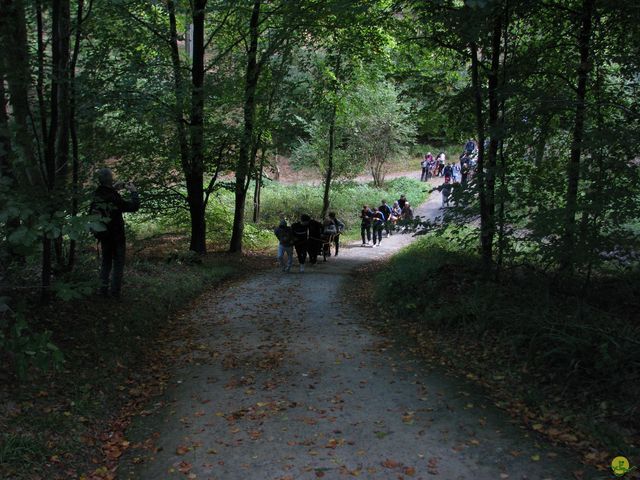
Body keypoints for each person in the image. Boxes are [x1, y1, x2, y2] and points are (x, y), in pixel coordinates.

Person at [90, 168, 140, 298]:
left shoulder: (97, 194)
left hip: (104, 235)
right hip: (117, 236)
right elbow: (133, 207)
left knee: (106, 263)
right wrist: (134, 192)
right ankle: (115, 293)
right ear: (110, 179)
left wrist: (115, 189)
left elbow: (107, 200)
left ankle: (102, 292)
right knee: (118, 264)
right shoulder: (114, 197)